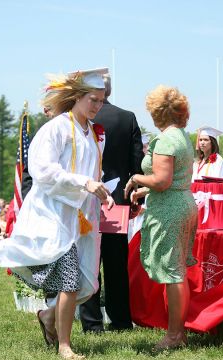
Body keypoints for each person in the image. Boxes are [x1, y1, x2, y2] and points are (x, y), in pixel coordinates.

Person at [0, 67, 114, 360]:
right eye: (92, 100)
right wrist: (83, 182)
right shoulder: (56, 128)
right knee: (70, 281)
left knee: (88, 283)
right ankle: (64, 346)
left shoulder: (94, 134)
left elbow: (91, 174)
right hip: (53, 214)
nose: (98, 106)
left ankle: (48, 317)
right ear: (76, 97)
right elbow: (43, 171)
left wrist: (102, 193)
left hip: (82, 217)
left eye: (101, 100)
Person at [124, 85, 197, 350]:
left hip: (170, 208)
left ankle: (174, 336)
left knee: (173, 273)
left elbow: (163, 180)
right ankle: (179, 333)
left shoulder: (166, 139)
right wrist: (146, 189)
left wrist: (136, 179)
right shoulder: (182, 136)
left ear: (157, 112)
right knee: (177, 271)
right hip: (182, 202)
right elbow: (173, 178)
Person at [79, 73, 144, 332]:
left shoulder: (82, 118)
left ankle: (92, 323)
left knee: (88, 261)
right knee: (116, 265)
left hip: (86, 200)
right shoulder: (127, 118)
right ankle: (120, 321)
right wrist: (134, 197)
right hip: (116, 203)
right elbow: (136, 162)